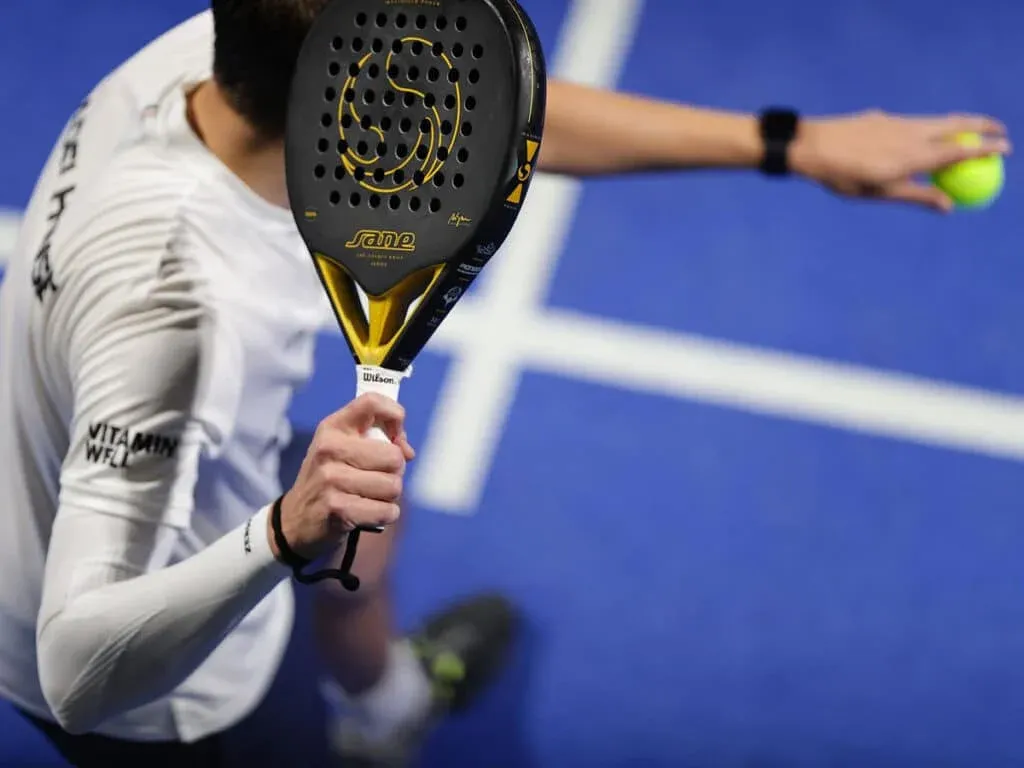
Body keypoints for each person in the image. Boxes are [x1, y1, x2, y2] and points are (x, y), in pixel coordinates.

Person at [0, 2, 1009, 767]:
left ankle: (385, 704)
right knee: (325, 550)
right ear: (364, 101)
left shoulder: (220, 53)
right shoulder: (188, 318)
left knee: (369, 524)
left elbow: (498, 111)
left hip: (75, 463)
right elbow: (79, 672)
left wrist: (788, 142)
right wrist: (282, 531)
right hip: (153, 690)